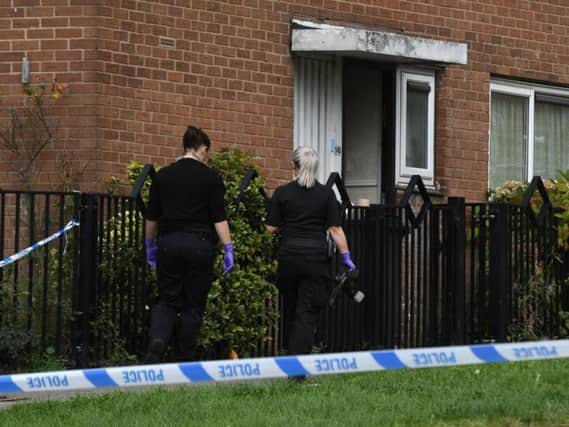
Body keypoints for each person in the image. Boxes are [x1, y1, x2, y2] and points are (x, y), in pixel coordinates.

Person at [144, 126, 234, 363]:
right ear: (202, 149)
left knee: (167, 299)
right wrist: (228, 248)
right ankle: (184, 357)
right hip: (199, 244)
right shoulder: (211, 178)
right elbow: (218, 218)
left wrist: (149, 244)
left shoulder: (163, 176)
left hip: (169, 243)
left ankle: (158, 341)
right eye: (207, 152)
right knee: (193, 304)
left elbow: (152, 217)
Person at [265, 146, 356, 358]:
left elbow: (270, 228)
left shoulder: (282, 193)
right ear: (316, 167)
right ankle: (298, 366)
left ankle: (287, 352)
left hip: (288, 259)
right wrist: (346, 257)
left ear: (293, 166)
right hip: (315, 260)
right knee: (306, 313)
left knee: (290, 306)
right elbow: (335, 229)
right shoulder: (326, 194)